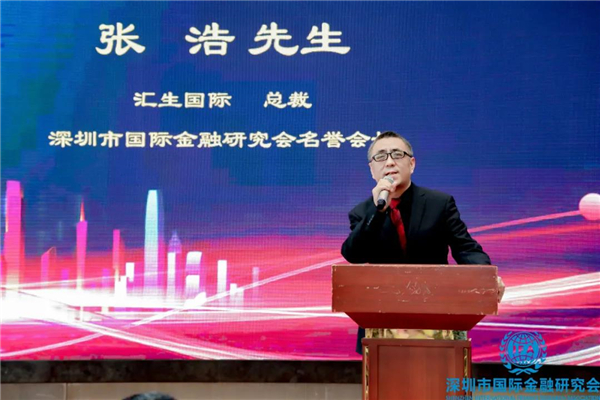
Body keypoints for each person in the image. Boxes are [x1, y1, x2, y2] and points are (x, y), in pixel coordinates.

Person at [341, 131, 504, 353]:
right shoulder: (363, 213)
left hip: (437, 321)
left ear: (412, 164)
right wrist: (378, 212)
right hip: (381, 327)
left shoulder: (439, 204)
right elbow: (353, 254)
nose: (389, 162)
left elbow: (466, 248)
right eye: (380, 156)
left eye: (397, 154)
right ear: (372, 169)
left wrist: (487, 277)